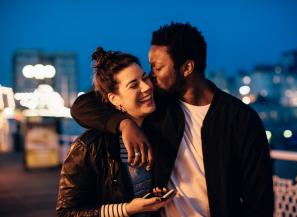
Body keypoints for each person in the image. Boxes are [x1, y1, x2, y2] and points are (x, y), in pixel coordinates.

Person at [71, 22, 274, 217]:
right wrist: (124, 124)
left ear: (186, 68)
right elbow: (82, 106)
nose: (150, 78)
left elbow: (259, 201)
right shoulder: (157, 105)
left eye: (157, 68)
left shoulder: (241, 119)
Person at [56, 47, 171, 217]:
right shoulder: (89, 146)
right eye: (133, 85)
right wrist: (127, 209)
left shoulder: (155, 130)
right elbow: (66, 212)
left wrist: (154, 195)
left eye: (145, 78)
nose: (146, 87)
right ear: (114, 99)